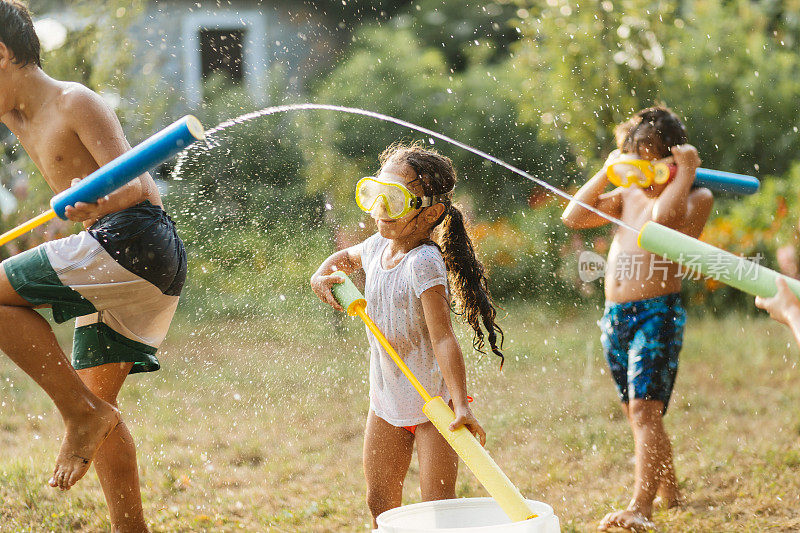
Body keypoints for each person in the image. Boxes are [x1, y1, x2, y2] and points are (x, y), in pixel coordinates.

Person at [0, 2, 186, 531]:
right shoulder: (16, 116)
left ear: (2, 54)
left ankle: (79, 415)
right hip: (130, 258)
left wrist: (90, 200)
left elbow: (129, 186)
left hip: (136, 240)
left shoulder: (73, 100)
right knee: (98, 412)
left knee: (85, 410)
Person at [311, 144, 502, 527]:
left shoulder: (423, 263)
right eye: (375, 193)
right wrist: (321, 275)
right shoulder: (378, 245)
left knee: (439, 513)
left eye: (393, 199)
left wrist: (460, 404)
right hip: (386, 400)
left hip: (435, 407)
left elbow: (443, 338)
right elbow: (345, 259)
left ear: (429, 212)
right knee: (380, 501)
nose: (380, 207)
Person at [561, 106, 714, 531]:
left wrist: (684, 173)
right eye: (636, 159)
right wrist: (608, 172)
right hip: (616, 315)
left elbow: (663, 221)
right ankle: (671, 492)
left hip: (658, 313)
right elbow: (573, 217)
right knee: (637, 411)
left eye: (653, 160)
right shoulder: (625, 195)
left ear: (673, 159)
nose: (643, 170)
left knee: (646, 410)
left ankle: (640, 506)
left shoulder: (697, 195)